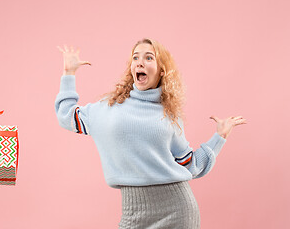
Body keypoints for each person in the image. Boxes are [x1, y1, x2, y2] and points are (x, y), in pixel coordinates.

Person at [55, 38, 247, 229]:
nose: (140, 62)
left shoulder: (169, 115)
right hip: (133, 212)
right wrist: (68, 74)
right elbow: (67, 116)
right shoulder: (108, 109)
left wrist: (219, 137)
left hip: (178, 210)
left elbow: (190, 164)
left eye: (149, 58)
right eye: (135, 57)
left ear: (161, 70)